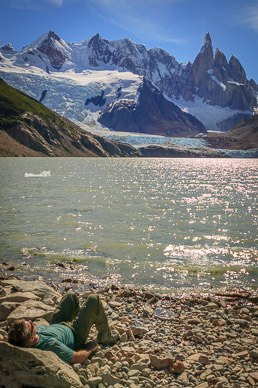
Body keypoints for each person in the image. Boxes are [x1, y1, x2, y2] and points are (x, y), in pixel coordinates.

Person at [8, 292, 119, 364]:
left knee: (70, 296)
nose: (31, 321)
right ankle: (104, 335)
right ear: (31, 339)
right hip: (76, 335)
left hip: (58, 324)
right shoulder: (50, 345)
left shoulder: (22, 337)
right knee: (94, 299)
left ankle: (83, 318)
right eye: (31, 325)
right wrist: (90, 348)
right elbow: (76, 358)